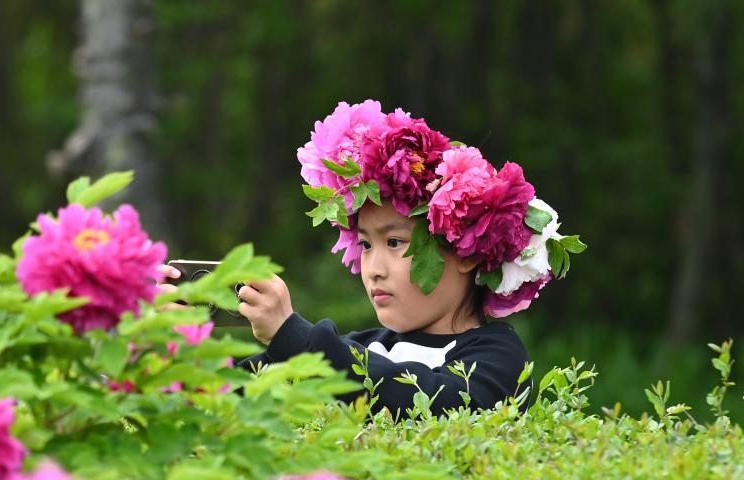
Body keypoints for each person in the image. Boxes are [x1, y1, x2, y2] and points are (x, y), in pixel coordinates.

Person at [156, 99, 586, 417]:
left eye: (394, 243)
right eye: (364, 245)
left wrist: (295, 338)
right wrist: (173, 346)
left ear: (465, 252)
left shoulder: (497, 354)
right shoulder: (364, 347)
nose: (372, 267)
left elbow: (425, 404)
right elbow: (231, 393)